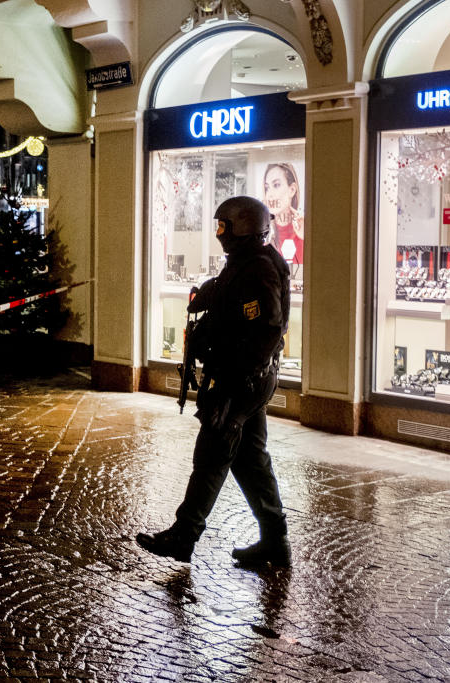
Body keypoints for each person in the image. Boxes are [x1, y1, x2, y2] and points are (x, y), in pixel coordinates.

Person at [137, 195, 292, 567]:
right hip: (246, 380)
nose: (219, 233)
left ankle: (184, 535)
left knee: (212, 455)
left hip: (240, 381)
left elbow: (267, 328)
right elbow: (233, 302)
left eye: (223, 226)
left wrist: (239, 378)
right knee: (250, 459)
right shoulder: (246, 262)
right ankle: (275, 541)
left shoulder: (258, 268)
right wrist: (211, 292)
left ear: (242, 227)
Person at [263, 163, 303, 265]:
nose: (270, 194)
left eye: (276, 185)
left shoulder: (305, 231)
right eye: (267, 188)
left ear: (292, 190)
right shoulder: (262, 234)